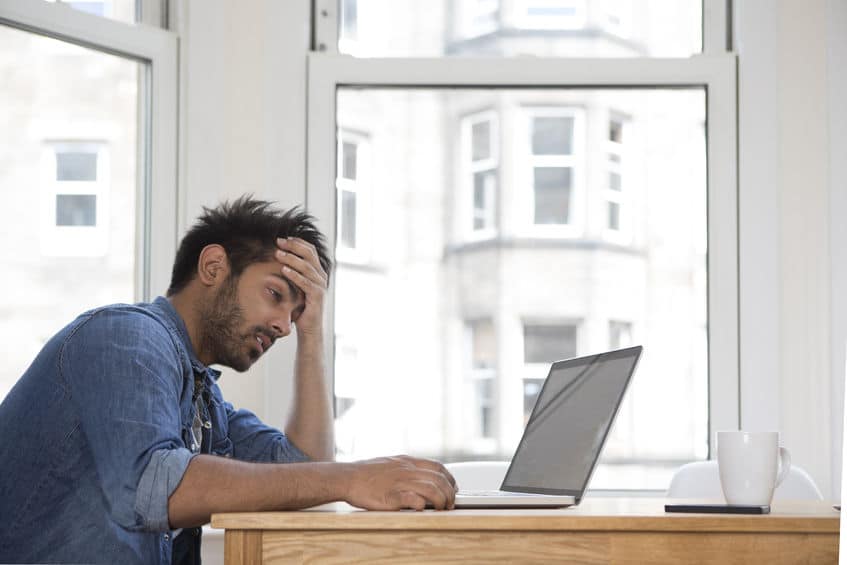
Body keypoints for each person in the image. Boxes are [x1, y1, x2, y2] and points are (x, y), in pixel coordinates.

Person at [0, 196, 457, 564]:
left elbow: (306, 471)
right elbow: (150, 484)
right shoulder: (125, 336)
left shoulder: (205, 403)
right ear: (214, 267)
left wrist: (313, 333)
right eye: (275, 295)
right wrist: (352, 477)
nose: (283, 326)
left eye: (294, 315)